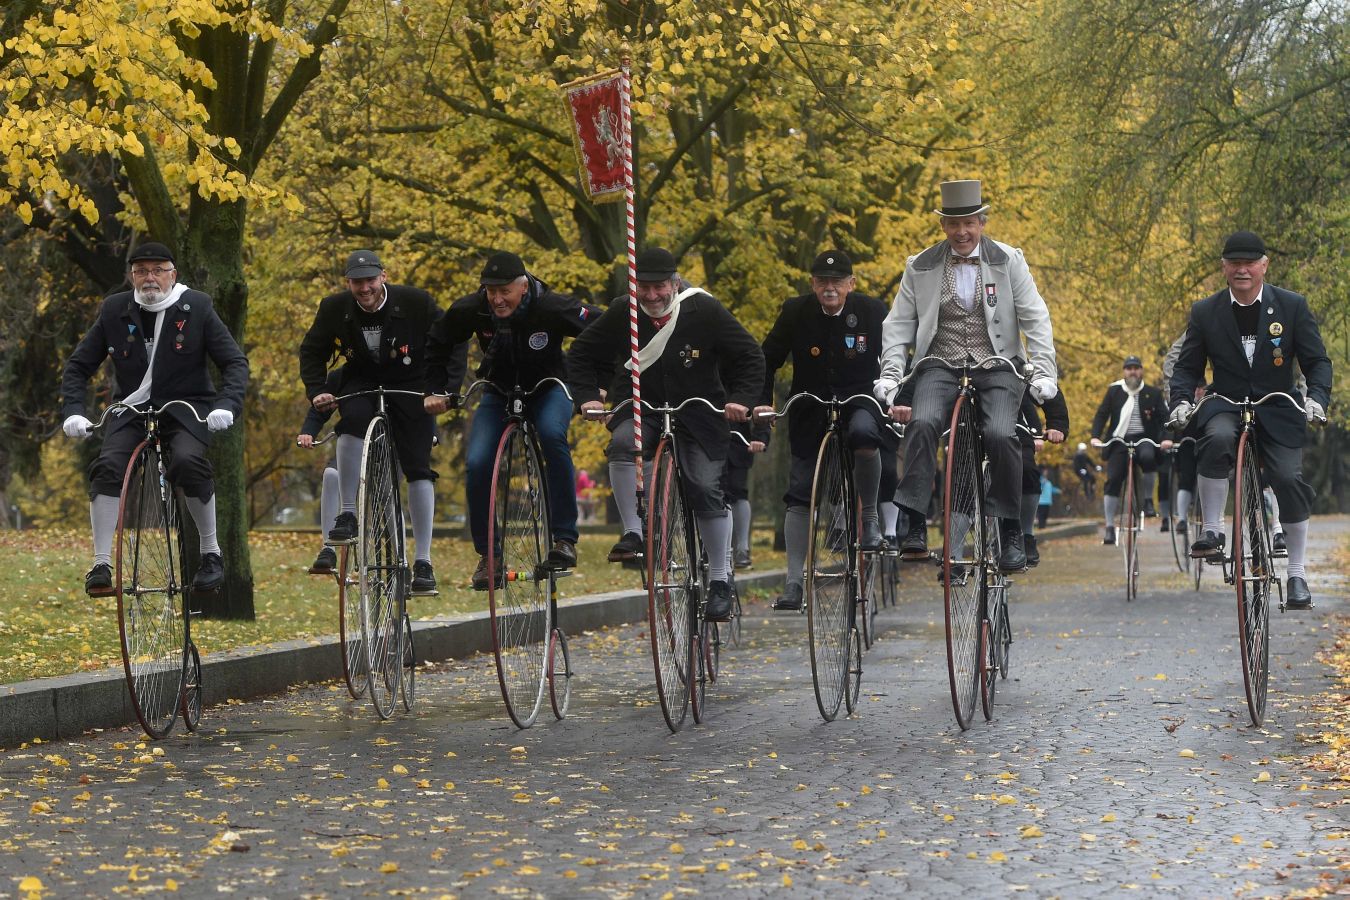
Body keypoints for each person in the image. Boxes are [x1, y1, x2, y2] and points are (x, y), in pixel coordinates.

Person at [567, 247, 765, 622]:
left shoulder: (703, 310)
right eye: (644, 288)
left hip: (699, 413)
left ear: (674, 283)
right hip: (641, 405)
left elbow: (750, 355)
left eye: (659, 287)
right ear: (634, 287)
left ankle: (720, 580)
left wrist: (741, 399)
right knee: (624, 443)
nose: (653, 296)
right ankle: (634, 533)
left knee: (706, 487)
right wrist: (588, 397)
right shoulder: (622, 313)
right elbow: (580, 353)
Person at [874, 180, 1058, 573]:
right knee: (921, 424)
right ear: (943, 226)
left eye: (969, 223)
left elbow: (1035, 318)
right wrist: (890, 377)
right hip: (939, 363)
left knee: (1001, 433)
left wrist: (1043, 373)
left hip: (998, 363)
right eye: (954, 224)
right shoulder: (920, 265)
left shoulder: (1008, 260)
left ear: (982, 222)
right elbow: (898, 326)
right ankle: (914, 523)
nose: (962, 232)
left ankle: (1010, 529)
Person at [61, 241, 249, 595]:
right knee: (107, 466)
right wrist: (73, 410)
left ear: (172, 274)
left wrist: (227, 405)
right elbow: (77, 366)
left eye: (158, 270)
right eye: (141, 271)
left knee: (188, 461)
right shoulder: (114, 309)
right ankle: (101, 563)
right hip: (131, 408)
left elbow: (235, 362)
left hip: (186, 405)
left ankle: (210, 553)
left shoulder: (198, 307)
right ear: (132, 276)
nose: (150, 278)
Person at [1169, 230, 1332, 609]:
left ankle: (1297, 573)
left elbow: (1317, 362)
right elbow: (1187, 367)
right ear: (1224, 267)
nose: (1242, 269)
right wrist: (1179, 401)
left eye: (1250, 263)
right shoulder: (1205, 311)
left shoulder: (1292, 306)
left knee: (1288, 478)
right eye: (1235, 263)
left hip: (1277, 406)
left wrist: (1316, 399)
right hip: (1226, 401)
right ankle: (1212, 530)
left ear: (1263, 266)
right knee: (1215, 437)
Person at [423, 251, 600, 590]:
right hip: (498, 390)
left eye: (505, 291)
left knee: (551, 434)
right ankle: (489, 555)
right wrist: (437, 388)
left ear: (523, 286)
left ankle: (564, 539)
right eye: (492, 292)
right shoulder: (473, 308)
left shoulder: (551, 307)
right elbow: (439, 339)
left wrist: (596, 386)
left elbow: (600, 328)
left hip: (550, 387)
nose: (498, 300)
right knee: (477, 461)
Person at [298, 249, 443, 593]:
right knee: (351, 421)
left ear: (383, 277)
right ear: (347, 283)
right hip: (361, 381)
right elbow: (312, 349)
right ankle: (348, 513)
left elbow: (447, 341)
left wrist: (441, 390)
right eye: (357, 282)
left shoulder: (417, 302)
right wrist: (317, 389)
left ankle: (423, 560)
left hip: (410, 385)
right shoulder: (334, 307)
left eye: (370, 280)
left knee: (418, 466)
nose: (364, 288)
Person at [755, 249, 892, 611]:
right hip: (809, 406)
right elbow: (766, 357)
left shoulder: (872, 311)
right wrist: (763, 401)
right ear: (813, 284)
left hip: (860, 398)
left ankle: (869, 518)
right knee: (800, 489)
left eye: (837, 281)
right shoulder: (795, 311)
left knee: (865, 435)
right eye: (822, 281)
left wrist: (897, 398)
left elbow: (896, 357)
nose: (829, 288)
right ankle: (793, 582)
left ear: (851, 283)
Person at [1089, 355, 1170, 544]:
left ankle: (1148, 501)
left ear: (1141, 371)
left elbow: (1164, 419)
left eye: (1136, 368)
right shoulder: (1114, 392)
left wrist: (1166, 439)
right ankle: (1110, 527)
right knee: (1114, 477)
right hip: (1119, 440)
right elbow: (1102, 414)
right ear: (1124, 372)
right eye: (1129, 368)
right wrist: (1095, 436)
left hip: (1145, 439)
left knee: (1149, 455)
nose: (1132, 371)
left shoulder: (1153, 393)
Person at [297, 370, 343, 574]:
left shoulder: (399, 370)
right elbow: (320, 407)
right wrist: (308, 431)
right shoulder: (346, 375)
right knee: (331, 475)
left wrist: (431, 433)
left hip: (389, 445)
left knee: (387, 493)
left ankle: (402, 558)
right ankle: (328, 548)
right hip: (351, 444)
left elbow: (420, 400)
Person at [1017, 387, 1069, 566]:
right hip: (968, 425)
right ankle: (953, 555)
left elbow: (1040, 387)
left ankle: (1027, 535)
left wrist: (1038, 431)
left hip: (1015, 427)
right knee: (959, 482)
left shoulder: (1013, 363)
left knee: (1027, 469)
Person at [723, 424, 767, 570]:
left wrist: (761, 437)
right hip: (704, 438)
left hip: (737, 441)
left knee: (736, 490)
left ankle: (742, 549)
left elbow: (761, 406)